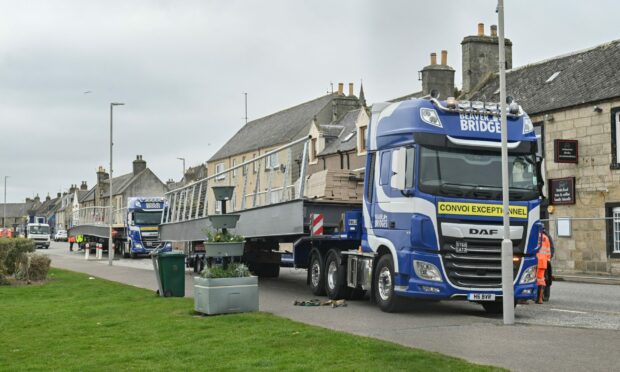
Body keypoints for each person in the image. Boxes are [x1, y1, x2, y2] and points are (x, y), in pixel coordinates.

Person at [536, 227, 552, 304]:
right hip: (543, 262)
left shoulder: (534, 236)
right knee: (541, 280)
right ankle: (540, 299)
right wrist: (547, 260)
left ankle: (524, 299)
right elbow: (549, 251)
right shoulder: (546, 238)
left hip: (534, 261)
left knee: (530, 279)